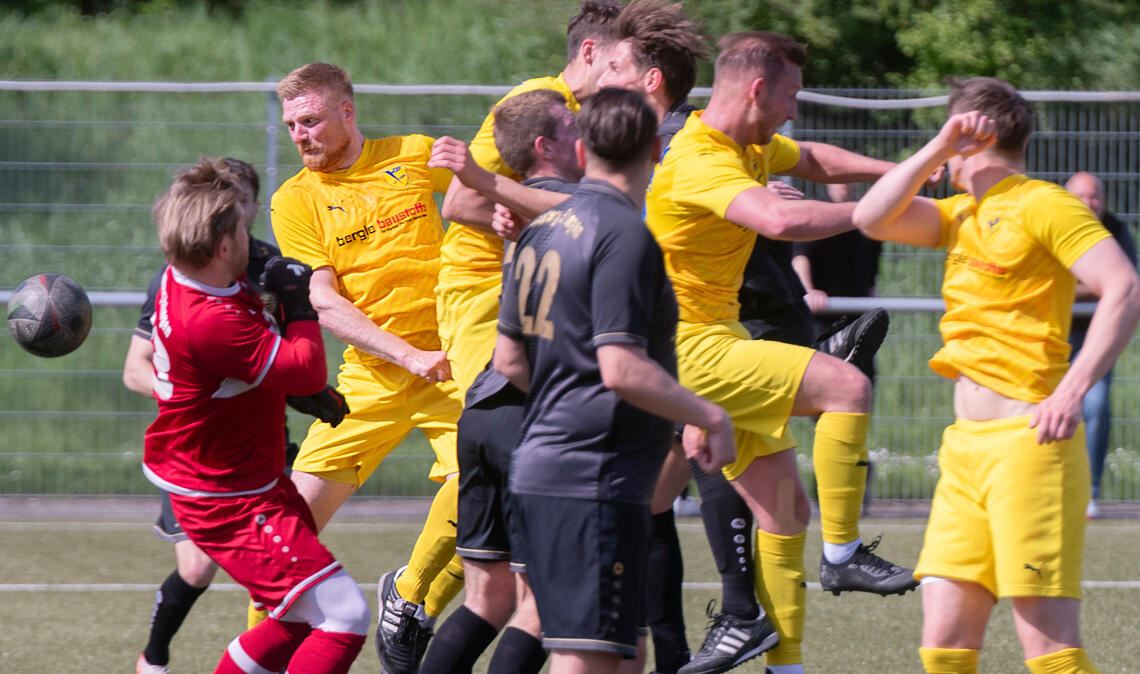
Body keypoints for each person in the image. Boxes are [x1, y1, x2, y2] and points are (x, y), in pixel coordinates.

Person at [644, 32, 919, 674]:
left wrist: (902, 173)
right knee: (846, 387)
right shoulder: (701, 157)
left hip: (718, 337)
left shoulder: (752, 143)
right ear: (759, 89)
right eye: (792, 93)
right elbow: (782, 222)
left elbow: (815, 160)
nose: (795, 108)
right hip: (685, 346)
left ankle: (782, 663)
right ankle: (845, 553)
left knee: (784, 513)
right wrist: (884, 207)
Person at [852, 77, 1140, 674]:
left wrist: (1072, 389)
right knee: (945, 645)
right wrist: (936, 148)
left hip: (1030, 447)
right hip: (964, 451)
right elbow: (870, 217)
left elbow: (1125, 287)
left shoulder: (1045, 202)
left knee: (1049, 651)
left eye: (952, 130)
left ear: (974, 133)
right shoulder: (960, 213)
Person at [494, 86, 736, 674]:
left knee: (623, 653)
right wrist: (708, 414)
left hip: (548, 469)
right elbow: (621, 367)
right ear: (656, 147)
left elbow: (510, 361)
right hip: (592, 479)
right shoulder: (625, 234)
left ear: (582, 151)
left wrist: (565, 406)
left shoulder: (540, 229)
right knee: (589, 659)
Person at [269, 62, 468, 674]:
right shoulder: (295, 199)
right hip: (372, 375)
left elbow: (478, 190)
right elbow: (323, 301)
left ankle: (411, 597)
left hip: (452, 366)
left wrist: (476, 176)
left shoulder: (409, 155)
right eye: (292, 126)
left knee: (490, 487)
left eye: (312, 121)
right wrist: (407, 354)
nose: (300, 136)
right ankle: (264, 659)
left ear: (347, 113)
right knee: (288, 537)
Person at [142, 157, 370, 674]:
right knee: (345, 615)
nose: (251, 237)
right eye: (242, 229)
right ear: (223, 247)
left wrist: (280, 388)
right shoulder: (208, 320)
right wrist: (298, 303)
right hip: (229, 498)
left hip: (242, 478)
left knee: (298, 615)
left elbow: (258, 370)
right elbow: (309, 370)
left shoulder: (192, 278)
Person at [417, 89, 582, 674]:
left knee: (487, 600)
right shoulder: (581, 207)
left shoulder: (519, 219)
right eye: (573, 125)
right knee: (538, 605)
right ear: (545, 147)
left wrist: (486, 185)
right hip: (527, 418)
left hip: (482, 413)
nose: (585, 131)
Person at [437, 0, 620, 401]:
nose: (629, 76)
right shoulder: (539, 101)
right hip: (482, 293)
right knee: (508, 430)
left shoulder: (589, 114)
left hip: (540, 287)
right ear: (589, 52)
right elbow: (460, 205)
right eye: (620, 63)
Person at [1064, 171, 1137, 519]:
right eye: (1081, 196)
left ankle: (1089, 493)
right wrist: (1097, 282)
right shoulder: (1053, 223)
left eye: (1094, 196)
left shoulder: (1116, 230)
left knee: (1095, 405)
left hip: (1093, 337)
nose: (1089, 203)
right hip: (1047, 335)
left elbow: (1125, 285)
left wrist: (1072, 285)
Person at [792, 183, 884, 344]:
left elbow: (871, 265)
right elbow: (800, 256)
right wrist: (808, 291)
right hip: (821, 315)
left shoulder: (867, 219)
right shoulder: (816, 214)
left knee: (860, 366)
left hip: (856, 313)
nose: (843, 183)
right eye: (838, 178)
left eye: (848, 178)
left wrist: (870, 296)